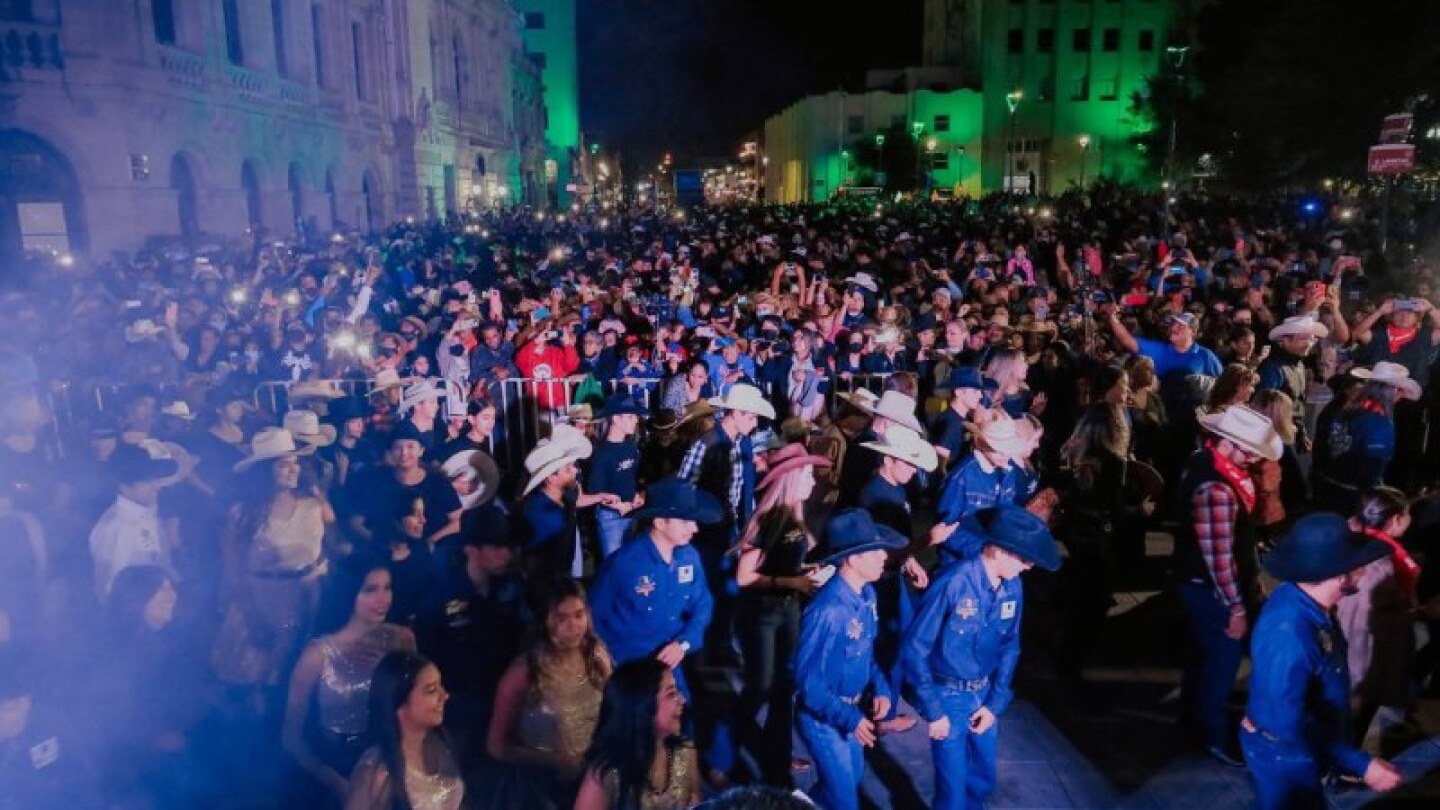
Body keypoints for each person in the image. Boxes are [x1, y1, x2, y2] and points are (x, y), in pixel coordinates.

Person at [902, 504, 1061, 810]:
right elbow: (915, 648)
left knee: (983, 776)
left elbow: (1011, 645)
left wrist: (995, 702)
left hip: (984, 693)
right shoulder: (953, 582)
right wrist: (933, 709)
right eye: (1025, 559)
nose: (1029, 567)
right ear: (999, 550)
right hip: (947, 695)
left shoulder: (1013, 586)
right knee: (952, 788)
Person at [1241, 513, 1403, 808]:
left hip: (1307, 752)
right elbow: (1282, 721)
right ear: (1340, 576)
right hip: (1288, 760)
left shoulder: (1308, 600)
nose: (1364, 572)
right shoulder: (1288, 635)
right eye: (1358, 566)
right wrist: (1360, 763)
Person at [1172, 404, 1281, 765]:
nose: (1253, 458)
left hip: (1196, 582)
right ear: (1230, 443)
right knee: (1222, 662)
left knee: (1201, 658)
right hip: (1210, 590)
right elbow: (1219, 559)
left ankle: (1191, 720)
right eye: (1249, 450)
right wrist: (1235, 607)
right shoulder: (1216, 489)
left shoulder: (1201, 461)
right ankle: (1213, 735)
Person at [793, 509, 907, 810]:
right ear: (853, 558)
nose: (884, 555)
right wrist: (851, 718)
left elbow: (865, 652)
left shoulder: (867, 594)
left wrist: (881, 687)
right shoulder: (828, 611)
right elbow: (808, 683)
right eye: (876, 550)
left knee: (849, 780)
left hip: (851, 709)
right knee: (845, 800)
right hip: (823, 719)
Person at [731, 443, 829, 786]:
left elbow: (788, 560)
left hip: (788, 611)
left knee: (784, 688)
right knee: (761, 687)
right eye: (806, 474)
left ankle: (778, 759)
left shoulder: (796, 517)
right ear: (790, 478)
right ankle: (727, 750)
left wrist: (810, 571)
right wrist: (795, 580)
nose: (813, 482)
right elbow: (744, 577)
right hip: (764, 615)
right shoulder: (769, 519)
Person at [283, 557, 416, 804]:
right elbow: (291, 738)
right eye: (371, 590)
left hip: (388, 760)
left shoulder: (401, 640)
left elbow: (413, 706)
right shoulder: (318, 654)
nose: (383, 599)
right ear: (350, 593)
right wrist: (336, 782)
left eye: (387, 588)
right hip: (335, 764)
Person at [212, 428, 334, 693]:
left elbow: (335, 540)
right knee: (264, 677)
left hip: (309, 595)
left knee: (302, 676)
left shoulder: (313, 503)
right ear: (265, 470)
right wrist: (252, 616)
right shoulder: (243, 514)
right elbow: (233, 569)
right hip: (265, 600)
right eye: (283, 465)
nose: (293, 470)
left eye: (294, 463)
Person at [414, 508, 530, 774]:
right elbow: (427, 653)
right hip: (460, 704)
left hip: (504, 695)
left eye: (507, 547)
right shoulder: (440, 597)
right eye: (496, 547)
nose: (506, 555)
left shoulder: (511, 586)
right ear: (472, 550)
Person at [486, 578, 611, 809]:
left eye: (579, 614)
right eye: (562, 618)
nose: (574, 625)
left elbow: (614, 712)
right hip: (541, 789)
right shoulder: (523, 673)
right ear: (543, 621)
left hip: (593, 778)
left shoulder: (596, 655)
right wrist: (554, 761)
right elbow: (496, 746)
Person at [1336, 488, 1422, 748]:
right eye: (1407, 514)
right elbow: (1360, 622)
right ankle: (1344, 766)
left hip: (1358, 644)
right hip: (1367, 653)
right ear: (1396, 519)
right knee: (1356, 710)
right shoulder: (1377, 568)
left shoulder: (1355, 537)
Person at [573, 659, 699, 810]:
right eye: (671, 694)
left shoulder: (685, 752)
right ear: (643, 705)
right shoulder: (606, 774)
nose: (682, 700)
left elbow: (696, 802)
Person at [345, 650, 464, 810]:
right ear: (398, 704)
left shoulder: (440, 745)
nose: (445, 695)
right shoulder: (378, 773)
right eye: (431, 690)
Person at [1312, 362, 1419, 512]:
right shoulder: (1378, 423)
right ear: (1393, 390)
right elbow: (1373, 468)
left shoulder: (1346, 410)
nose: (1401, 396)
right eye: (1401, 390)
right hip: (1353, 496)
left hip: (1328, 485)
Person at [87, 443, 182, 599]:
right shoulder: (116, 527)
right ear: (124, 487)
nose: (156, 486)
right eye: (147, 481)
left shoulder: (151, 517)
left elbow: (163, 565)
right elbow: (113, 589)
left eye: (155, 479)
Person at [519, 426, 613, 579]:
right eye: (568, 469)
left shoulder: (565, 499)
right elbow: (534, 561)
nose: (575, 471)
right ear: (551, 478)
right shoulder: (538, 513)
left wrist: (601, 496)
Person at [590, 394, 649, 557]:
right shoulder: (602, 454)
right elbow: (596, 491)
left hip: (631, 511)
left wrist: (638, 495)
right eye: (631, 416)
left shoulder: (631, 446)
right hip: (611, 517)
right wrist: (619, 506)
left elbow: (633, 477)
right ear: (616, 418)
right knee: (614, 564)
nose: (636, 421)